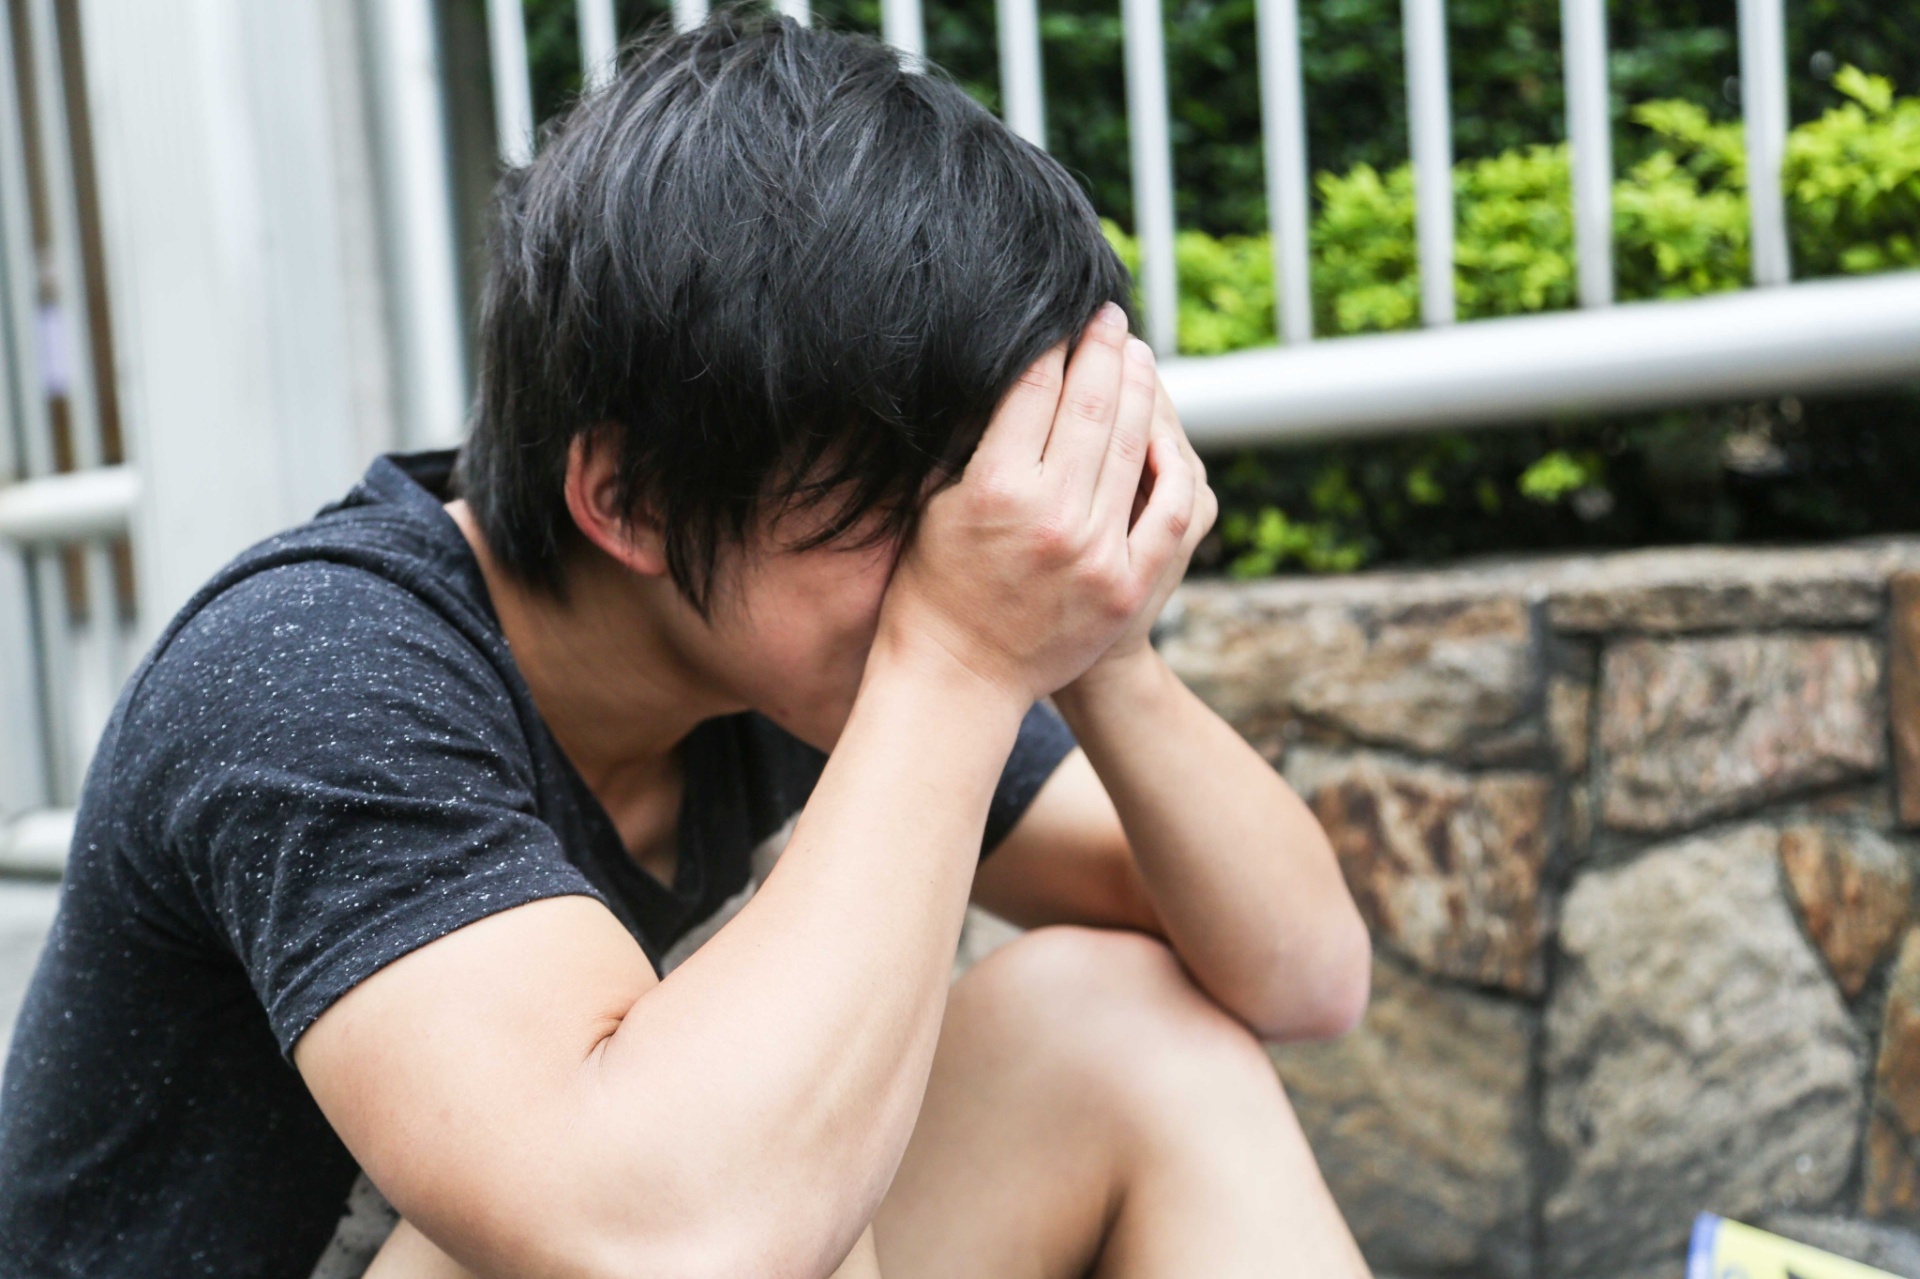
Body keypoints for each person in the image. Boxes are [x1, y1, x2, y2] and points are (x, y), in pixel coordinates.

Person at [0, 12, 1373, 1277]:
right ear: (631, 500)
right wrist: (954, 666)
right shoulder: (315, 668)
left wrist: (1101, 641)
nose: (971, 561)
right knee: (744, 1155)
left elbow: (1304, 975)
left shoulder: (808, 643)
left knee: (1118, 1023)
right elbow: (665, 1235)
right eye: (905, 504)